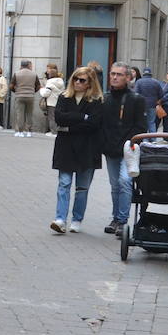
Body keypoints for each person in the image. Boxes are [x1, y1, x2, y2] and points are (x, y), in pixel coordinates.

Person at [50, 66, 104, 234]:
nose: (77, 83)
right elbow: (58, 117)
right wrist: (82, 117)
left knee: (82, 188)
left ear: (90, 83)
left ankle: (77, 219)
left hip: (87, 148)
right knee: (64, 184)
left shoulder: (96, 101)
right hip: (65, 147)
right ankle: (60, 219)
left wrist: (69, 125)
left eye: (82, 80)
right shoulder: (64, 97)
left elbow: (94, 124)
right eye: (75, 79)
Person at [102, 62, 147, 236]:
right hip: (110, 149)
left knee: (125, 182)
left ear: (128, 78)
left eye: (119, 74)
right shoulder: (105, 98)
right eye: (112, 73)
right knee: (115, 185)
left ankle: (122, 220)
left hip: (128, 149)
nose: (114, 77)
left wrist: (129, 143)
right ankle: (115, 218)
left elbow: (140, 127)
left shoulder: (136, 99)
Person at [12, 60, 41, 137]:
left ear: (21, 65)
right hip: (30, 96)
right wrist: (33, 91)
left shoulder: (16, 73)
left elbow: (11, 85)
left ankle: (20, 131)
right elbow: (38, 85)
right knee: (29, 114)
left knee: (19, 114)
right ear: (28, 65)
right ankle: (29, 131)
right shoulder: (34, 74)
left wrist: (16, 91)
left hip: (19, 96)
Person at [41, 63, 63, 136]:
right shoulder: (61, 81)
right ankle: (57, 131)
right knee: (57, 117)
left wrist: (41, 90)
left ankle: (53, 132)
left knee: (51, 117)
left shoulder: (50, 82)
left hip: (51, 102)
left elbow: (46, 93)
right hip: (59, 101)